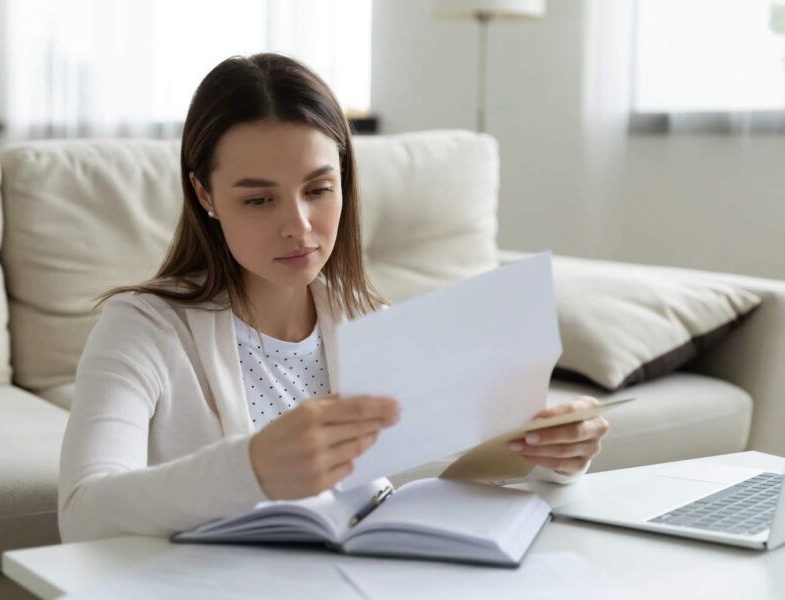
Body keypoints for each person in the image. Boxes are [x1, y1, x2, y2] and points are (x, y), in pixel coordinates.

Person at [58, 53, 610, 543]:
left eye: (319, 189)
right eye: (258, 201)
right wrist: (252, 468)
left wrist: (553, 455)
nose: (298, 227)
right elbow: (83, 512)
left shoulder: (368, 319)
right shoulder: (143, 328)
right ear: (204, 194)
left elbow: (447, 478)